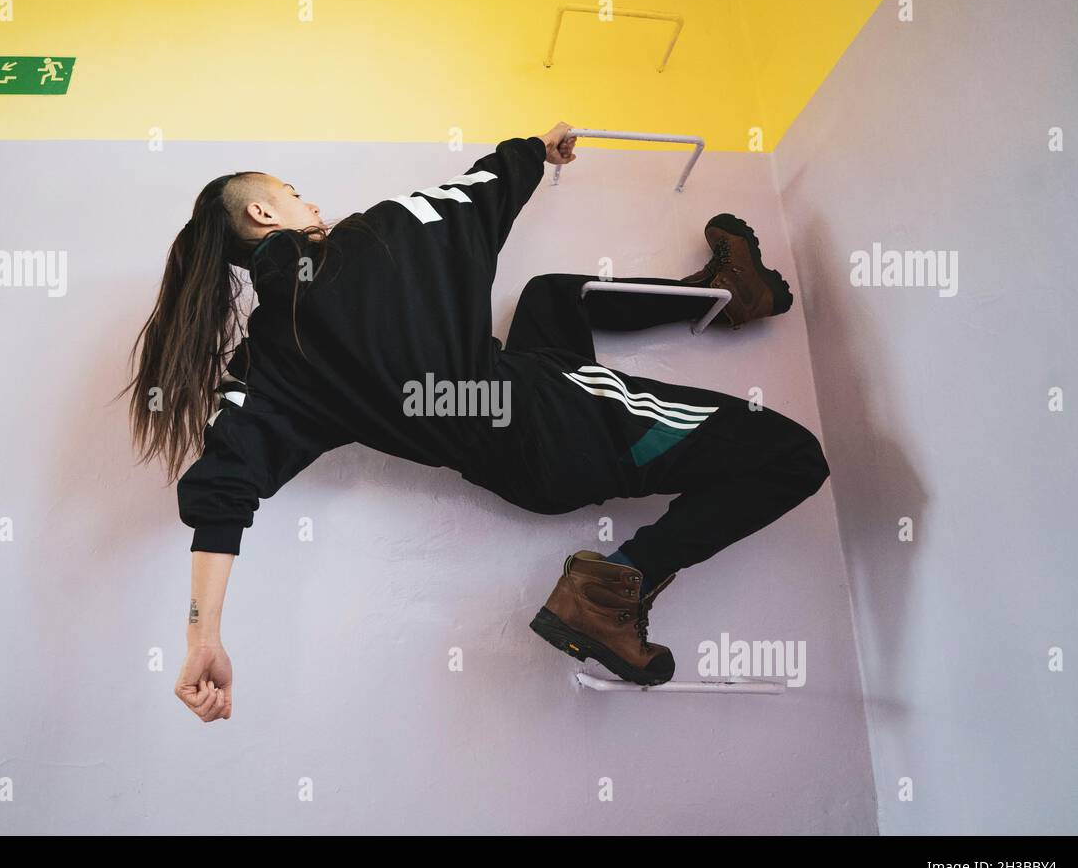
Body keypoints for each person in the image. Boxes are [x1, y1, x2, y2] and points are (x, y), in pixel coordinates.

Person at [123, 122, 829, 721]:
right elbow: (474, 194)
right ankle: (616, 586)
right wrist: (535, 148)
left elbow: (222, 491)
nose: (311, 200)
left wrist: (201, 636)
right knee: (793, 454)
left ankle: (727, 294)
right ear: (265, 218)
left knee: (552, 297)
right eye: (293, 193)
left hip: (517, 459)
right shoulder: (378, 239)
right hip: (567, 421)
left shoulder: (271, 360)